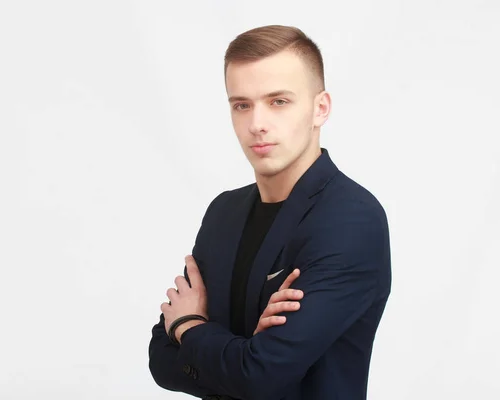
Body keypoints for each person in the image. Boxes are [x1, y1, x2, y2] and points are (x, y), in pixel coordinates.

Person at [148, 24, 391, 400]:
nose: (257, 124)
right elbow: (161, 360)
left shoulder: (350, 220)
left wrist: (190, 325)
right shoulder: (223, 212)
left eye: (278, 101)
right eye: (242, 104)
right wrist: (241, 353)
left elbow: (258, 374)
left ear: (319, 108)